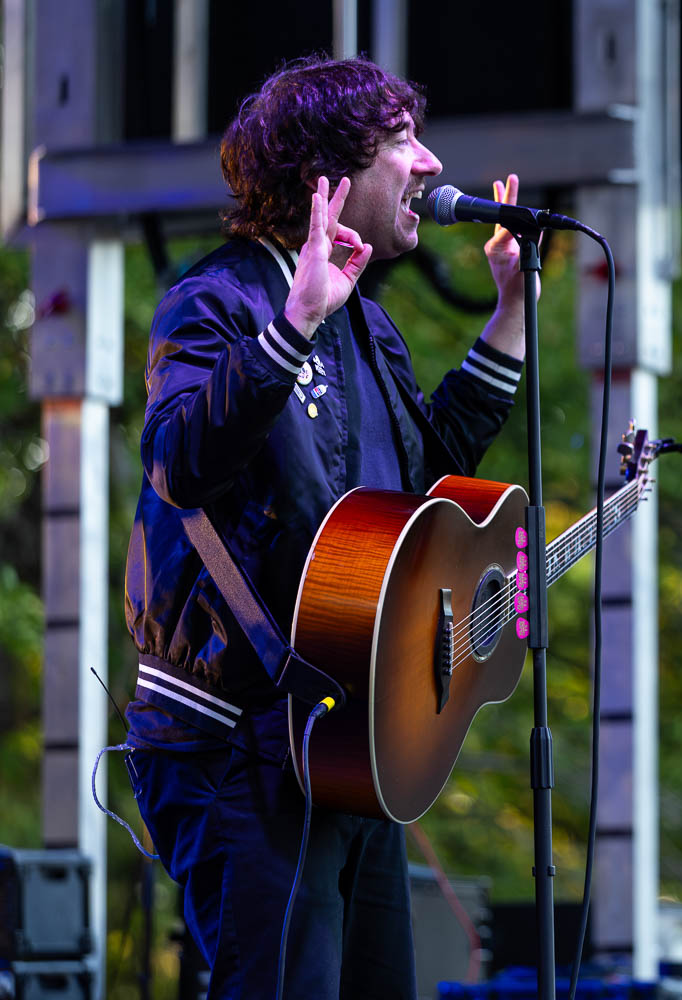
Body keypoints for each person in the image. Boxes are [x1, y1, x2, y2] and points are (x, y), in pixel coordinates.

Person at [121, 56, 527, 998]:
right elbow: (179, 462)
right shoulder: (218, 297)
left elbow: (425, 482)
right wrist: (294, 319)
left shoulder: (370, 327)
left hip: (348, 732)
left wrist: (508, 317)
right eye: (401, 142)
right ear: (328, 176)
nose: (428, 163)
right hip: (237, 738)